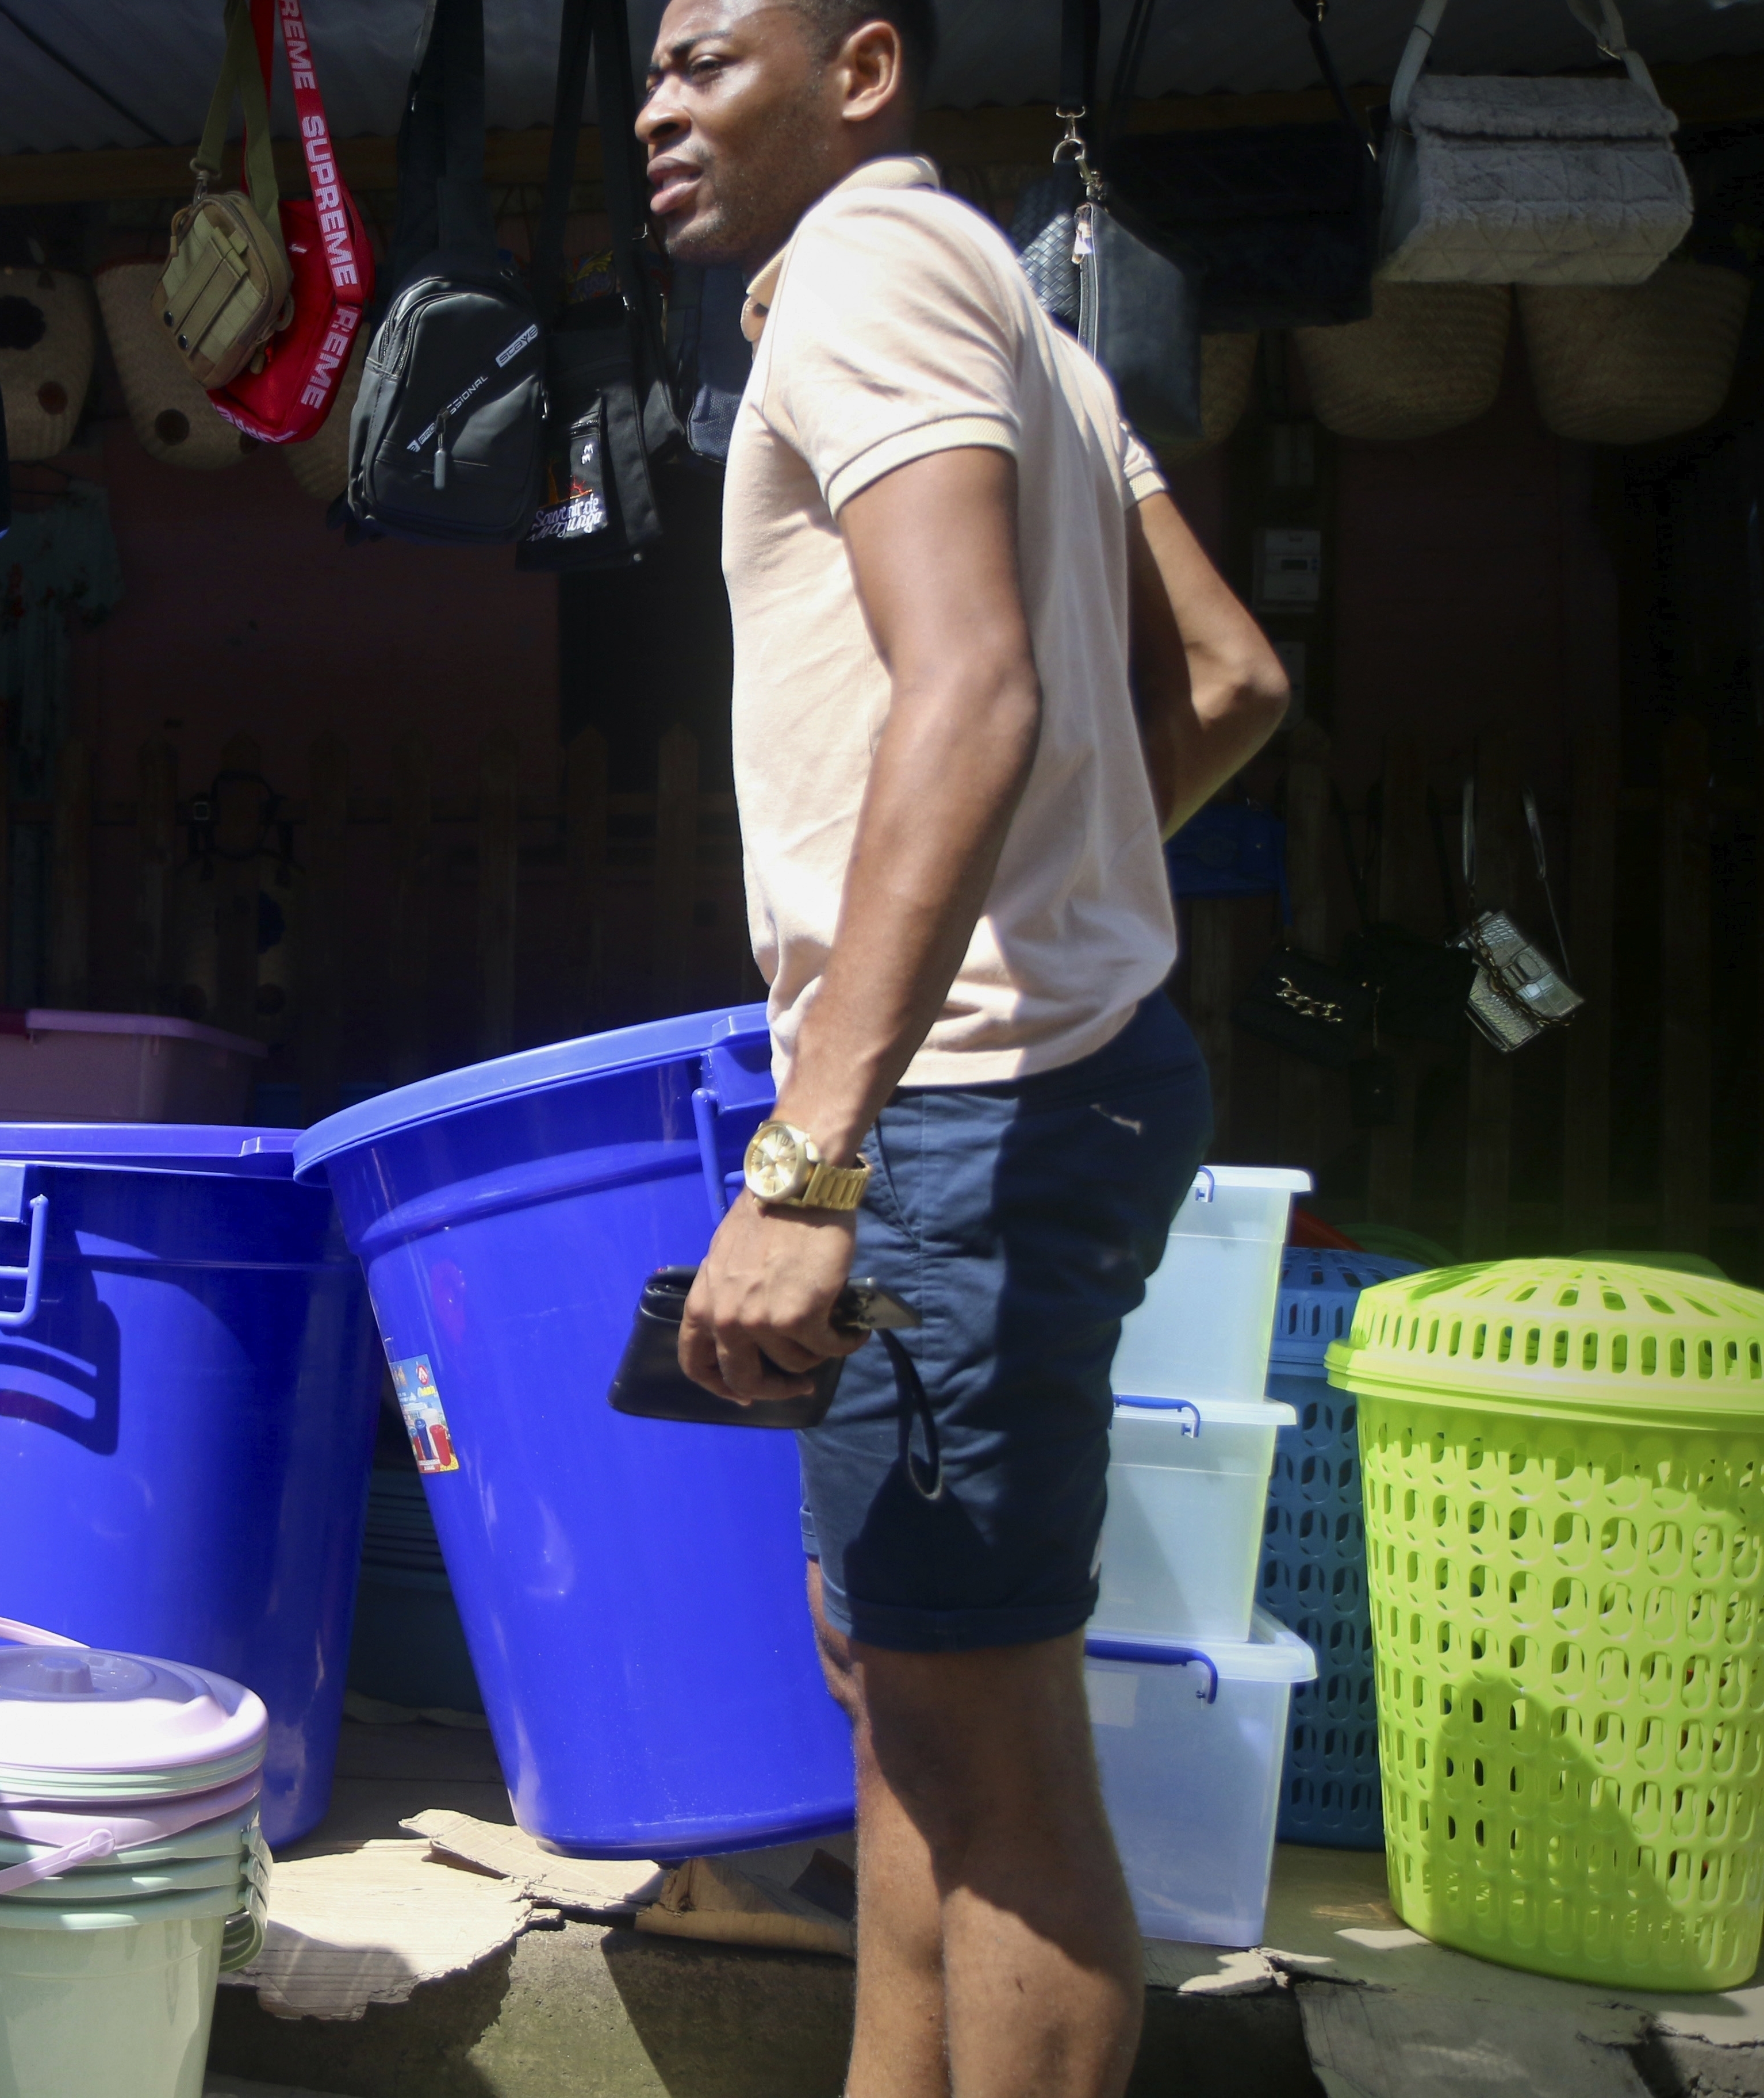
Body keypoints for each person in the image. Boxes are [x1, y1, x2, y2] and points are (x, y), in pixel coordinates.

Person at [641, 5, 1290, 2095]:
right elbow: (1231, 677)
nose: (658, 104)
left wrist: (809, 1159)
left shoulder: (866, 273)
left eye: (709, 60)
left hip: (957, 1111)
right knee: (909, 1697)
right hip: (1031, 1074)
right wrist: (1059, 889)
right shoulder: (1023, 321)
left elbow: (978, 694)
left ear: (861, 72)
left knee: (988, 1759)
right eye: (649, 69)